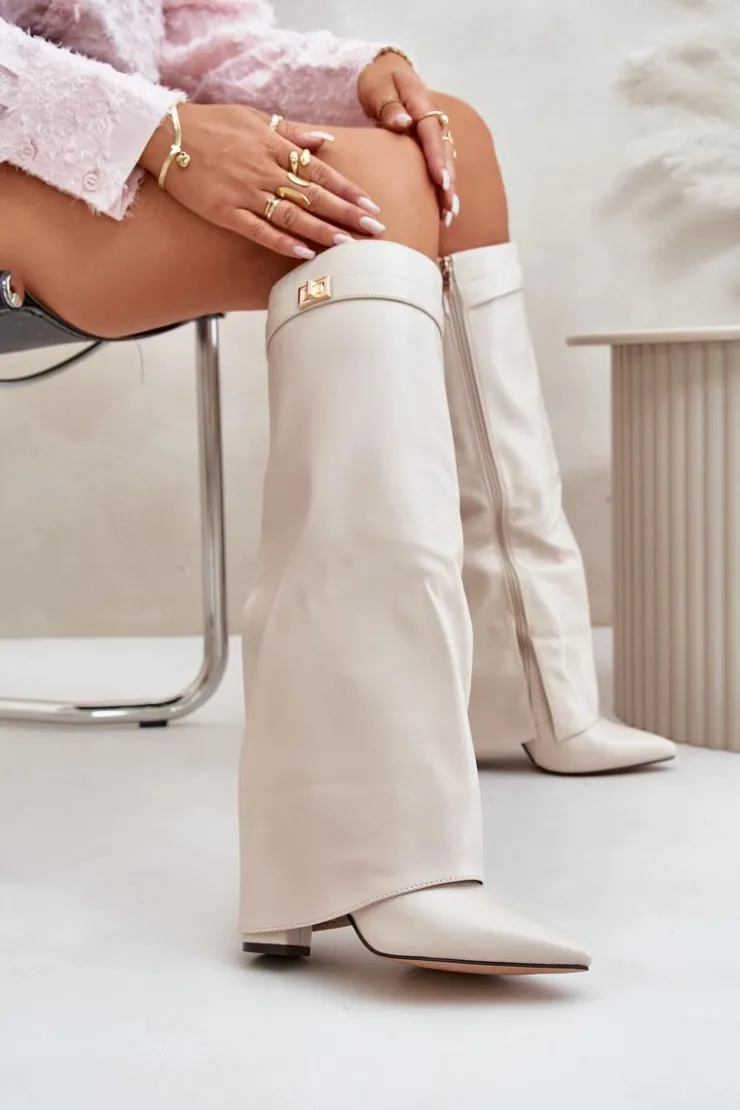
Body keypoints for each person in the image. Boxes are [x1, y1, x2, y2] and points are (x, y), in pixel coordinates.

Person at [0, 1, 674, 978]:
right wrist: (157, 133)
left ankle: (517, 686)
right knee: (378, 190)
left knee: (448, 139)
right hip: (39, 142)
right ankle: (360, 848)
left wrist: (355, 75)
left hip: (91, 128)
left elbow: (190, 37)